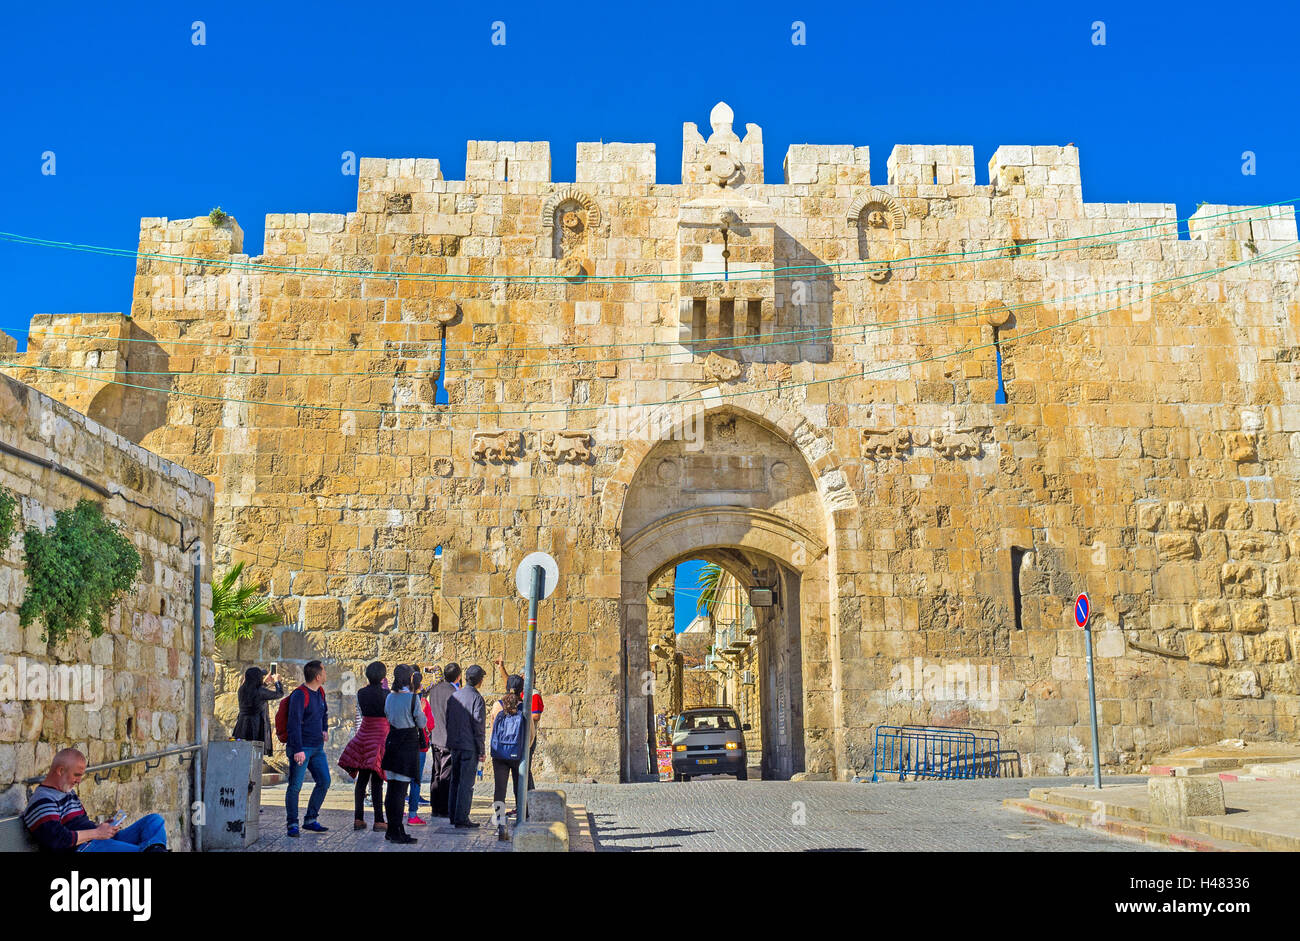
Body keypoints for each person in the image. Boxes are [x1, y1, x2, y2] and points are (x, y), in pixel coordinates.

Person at [23, 748, 168, 852]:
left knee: (154, 821)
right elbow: (59, 839)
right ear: (61, 771)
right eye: (77, 775)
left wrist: (101, 827)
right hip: (85, 848)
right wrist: (97, 833)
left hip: (97, 841)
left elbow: (80, 824)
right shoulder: (42, 800)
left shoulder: (68, 793)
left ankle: (156, 849)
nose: (79, 781)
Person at [338, 661, 389, 831]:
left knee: (362, 780)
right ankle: (379, 820)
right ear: (383, 676)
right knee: (377, 781)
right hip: (380, 735)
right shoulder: (386, 694)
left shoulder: (361, 693)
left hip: (364, 734)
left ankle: (358, 818)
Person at [380, 664, 426, 844]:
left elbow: (387, 715)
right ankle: (397, 832)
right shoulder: (413, 699)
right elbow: (421, 723)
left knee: (391, 790)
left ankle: (393, 829)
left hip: (392, 741)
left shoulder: (390, 697)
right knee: (400, 792)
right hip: (406, 745)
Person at [285, 659, 330, 837]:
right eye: (324, 671)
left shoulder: (320, 692)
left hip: (317, 747)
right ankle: (292, 824)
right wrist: (297, 749)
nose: (326, 674)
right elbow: (293, 724)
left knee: (324, 781)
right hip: (301, 747)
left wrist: (324, 729)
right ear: (318, 676)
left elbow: (324, 713)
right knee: (295, 786)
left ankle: (310, 819)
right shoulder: (299, 695)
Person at [444, 663, 486, 828]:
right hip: (469, 746)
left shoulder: (455, 696)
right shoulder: (477, 698)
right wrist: (481, 750)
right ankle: (461, 818)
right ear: (479, 680)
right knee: (466, 783)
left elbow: (448, 720)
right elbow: (478, 726)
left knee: (455, 780)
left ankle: (453, 816)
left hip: (455, 745)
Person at [494, 658, 544, 787]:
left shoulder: (534, 694)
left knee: (524, 771)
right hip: (516, 736)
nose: (521, 678)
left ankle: (528, 799)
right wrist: (501, 668)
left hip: (526, 736)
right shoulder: (520, 693)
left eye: (523, 676)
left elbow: (536, 715)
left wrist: (518, 717)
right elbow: (509, 683)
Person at [488, 689, 534, 817]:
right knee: (519, 786)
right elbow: (531, 734)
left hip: (499, 754)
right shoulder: (525, 707)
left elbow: (492, 730)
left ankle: (499, 818)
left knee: (500, 788)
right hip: (517, 754)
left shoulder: (497, 705)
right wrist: (523, 750)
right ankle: (522, 815)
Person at [426, 662, 459, 818]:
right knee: (446, 774)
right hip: (447, 738)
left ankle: (435, 807)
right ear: (458, 676)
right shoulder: (454, 692)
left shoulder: (435, 689)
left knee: (436, 772)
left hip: (435, 736)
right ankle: (443, 808)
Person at [232, 666, 284, 756]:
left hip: (242, 723)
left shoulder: (242, 689)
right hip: (255, 725)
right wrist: (276, 681)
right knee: (254, 752)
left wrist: (265, 682)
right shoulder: (260, 691)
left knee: (243, 750)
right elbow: (279, 694)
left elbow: (254, 689)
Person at [406, 668, 434, 827]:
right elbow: (429, 724)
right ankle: (412, 814)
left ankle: (398, 810)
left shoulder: (401, 699)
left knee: (402, 778)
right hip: (419, 746)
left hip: (404, 744)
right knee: (415, 781)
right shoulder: (423, 702)